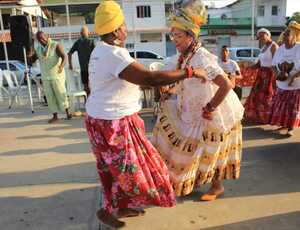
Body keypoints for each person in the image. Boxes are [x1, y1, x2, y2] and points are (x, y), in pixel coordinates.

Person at [85, 1, 208, 228]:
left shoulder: (101, 50)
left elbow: (120, 82)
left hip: (100, 118)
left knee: (112, 168)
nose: (125, 28)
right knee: (139, 169)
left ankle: (119, 207)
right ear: (115, 30)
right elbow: (151, 78)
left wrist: (145, 85)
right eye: (122, 24)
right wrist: (189, 72)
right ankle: (107, 209)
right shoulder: (113, 54)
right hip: (114, 122)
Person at [152, 0, 244, 202]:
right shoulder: (184, 56)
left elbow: (226, 85)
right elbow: (187, 82)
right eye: (172, 35)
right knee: (189, 150)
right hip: (190, 109)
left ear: (190, 36)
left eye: (178, 36)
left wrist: (210, 107)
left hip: (212, 110)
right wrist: (169, 91)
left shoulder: (202, 57)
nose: (174, 40)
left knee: (212, 151)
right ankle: (191, 182)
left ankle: (217, 186)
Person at [28, 31, 71, 123]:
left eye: (43, 38)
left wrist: (61, 66)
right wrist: (31, 48)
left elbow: (64, 56)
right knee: (50, 97)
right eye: (39, 39)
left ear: (46, 36)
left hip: (57, 76)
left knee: (61, 94)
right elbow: (32, 60)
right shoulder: (38, 49)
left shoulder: (56, 45)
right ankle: (55, 116)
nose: (42, 40)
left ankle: (68, 113)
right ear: (38, 41)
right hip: (46, 77)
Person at [269, 22, 300, 137]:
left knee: (293, 107)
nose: (285, 37)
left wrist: (293, 77)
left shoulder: (299, 47)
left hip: (296, 84)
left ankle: (291, 128)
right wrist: (278, 75)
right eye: (285, 34)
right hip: (282, 84)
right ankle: (285, 124)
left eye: (288, 35)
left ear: (294, 36)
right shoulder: (280, 48)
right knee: (282, 106)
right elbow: (273, 65)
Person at [243, 28, 278, 124]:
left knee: (267, 96)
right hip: (261, 74)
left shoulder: (274, 46)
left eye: (262, 36)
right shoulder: (263, 48)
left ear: (268, 35)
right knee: (257, 96)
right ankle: (258, 116)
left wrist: (275, 78)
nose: (261, 39)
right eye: (259, 37)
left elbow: (277, 63)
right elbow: (259, 63)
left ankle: (267, 117)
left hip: (270, 74)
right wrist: (249, 67)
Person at [68, 26, 95, 95]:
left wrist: (70, 65)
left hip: (90, 68)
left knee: (89, 86)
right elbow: (69, 53)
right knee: (88, 86)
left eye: (84, 32)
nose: (83, 34)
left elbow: (69, 53)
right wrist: (70, 65)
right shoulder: (80, 42)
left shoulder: (90, 42)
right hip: (87, 68)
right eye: (83, 32)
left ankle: (89, 101)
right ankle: (88, 101)